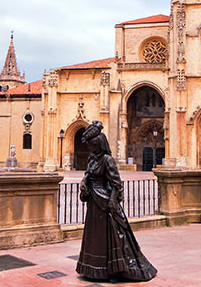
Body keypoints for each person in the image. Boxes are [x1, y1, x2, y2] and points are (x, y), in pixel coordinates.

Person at [76, 121, 157, 282]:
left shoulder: (107, 160)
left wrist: (113, 202)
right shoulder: (92, 159)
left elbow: (116, 184)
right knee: (95, 237)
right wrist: (84, 183)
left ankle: (114, 269)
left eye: (92, 144)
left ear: (98, 144)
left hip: (105, 203)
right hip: (94, 203)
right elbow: (88, 175)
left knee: (113, 236)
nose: (89, 147)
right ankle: (94, 269)